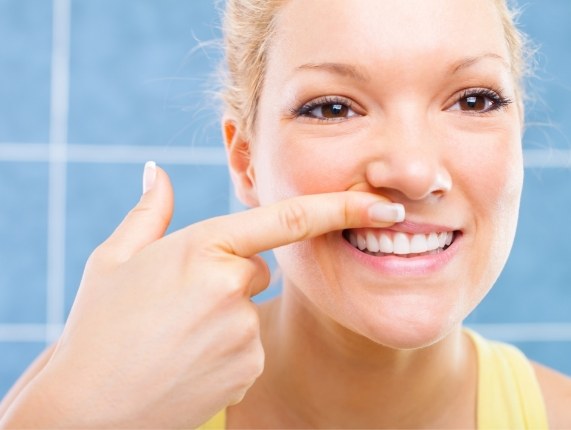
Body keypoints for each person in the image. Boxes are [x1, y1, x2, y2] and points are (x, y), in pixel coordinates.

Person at [1, 0, 571, 428]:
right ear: (245, 162)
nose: (413, 171)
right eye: (332, 108)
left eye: (474, 100)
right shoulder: (107, 388)